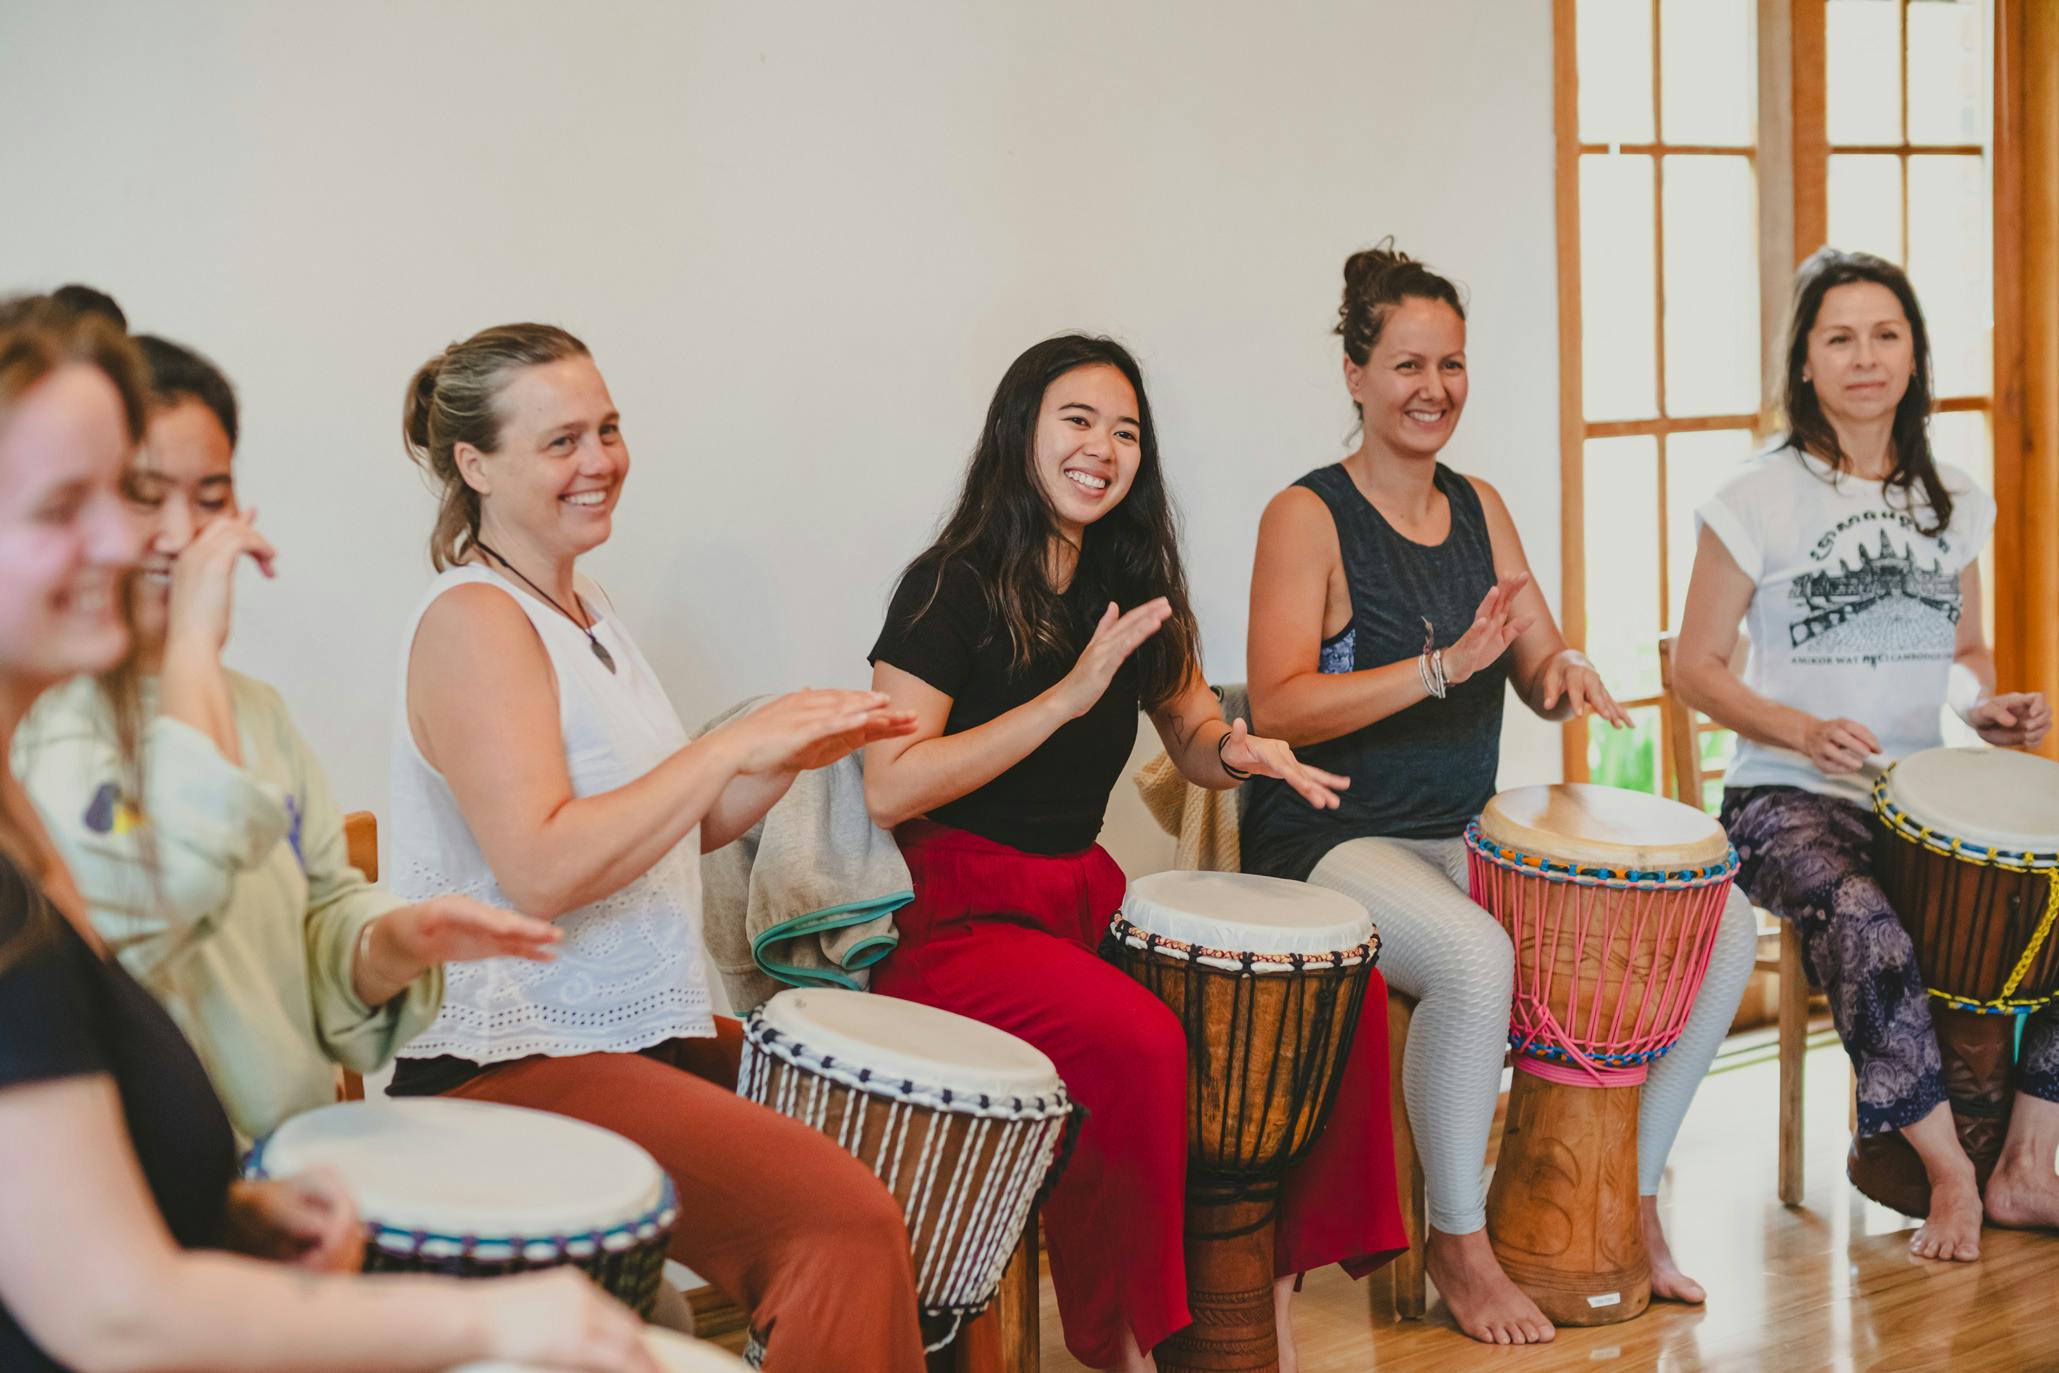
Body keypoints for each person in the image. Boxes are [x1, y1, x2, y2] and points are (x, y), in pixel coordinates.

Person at [0, 295, 655, 1373]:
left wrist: (389, 940)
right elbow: (156, 901)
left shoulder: (243, 719)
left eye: (208, 497)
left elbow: (306, 919)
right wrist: (481, 1320)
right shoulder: (55, 747)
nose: (149, 537)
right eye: (96, 499)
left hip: (241, 1195)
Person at [388, 320, 929, 1372]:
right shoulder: (474, 619)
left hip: (626, 1032)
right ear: (473, 463)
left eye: (608, 428)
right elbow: (543, 867)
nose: (598, 462)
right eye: (560, 441)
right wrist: (730, 740)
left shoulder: (585, 608)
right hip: (512, 1056)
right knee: (839, 1224)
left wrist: (791, 749)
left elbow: (683, 823)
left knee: (891, 1126)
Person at [1241, 243, 1758, 1344]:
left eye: (1453, 364)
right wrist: (1437, 669)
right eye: (1406, 364)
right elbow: (1278, 705)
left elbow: (1531, 658)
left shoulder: (1479, 505)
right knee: (1478, 958)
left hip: (1459, 833)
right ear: (1354, 373)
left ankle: (1637, 1201)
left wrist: (1560, 673)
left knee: (1720, 926)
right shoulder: (1307, 515)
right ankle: (1459, 1242)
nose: (1433, 388)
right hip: (1330, 838)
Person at [863, 333, 1396, 1373]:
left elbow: (1193, 739)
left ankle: (1267, 1291)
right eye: (1077, 419)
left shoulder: (1130, 575)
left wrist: (1238, 749)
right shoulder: (949, 585)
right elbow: (889, 782)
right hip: (952, 912)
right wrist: (1063, 698)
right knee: (1144, 1043)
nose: (1102, 447)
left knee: (1339, 989)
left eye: (1125, 431)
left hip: (1079, 894)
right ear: (1021, 430)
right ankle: (1124, 1342)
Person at [13, 331, 559, 1143]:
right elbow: (140, 915)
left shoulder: (258, 712)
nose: (177, 533)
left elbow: (323, 913)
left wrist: (389, 942)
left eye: (209, 496)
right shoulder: (37, 724)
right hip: (144, 1185)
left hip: (294, 1164)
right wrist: (195, 637)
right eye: (142, 493)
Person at [1675, 246, 2057, 1264]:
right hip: (1783, 797)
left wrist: (1991, 707)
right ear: (1803, 359)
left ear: (1914, 353)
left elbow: (1968, 652)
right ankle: (1945, 1175)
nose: (1864, 357)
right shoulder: (1753, 496)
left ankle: (2028, 1154)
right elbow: (1692, 667)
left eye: (1885, 334)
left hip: (1914, 793)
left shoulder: (1951, 497)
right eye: (1838, 336)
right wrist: (1797, 728)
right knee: (1859, 915)